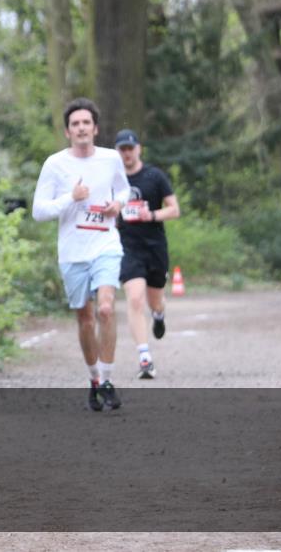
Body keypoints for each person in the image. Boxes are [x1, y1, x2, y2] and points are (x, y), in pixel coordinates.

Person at [33, 98, 130, 411]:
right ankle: (94, 380)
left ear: (95, 128)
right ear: (67, 131)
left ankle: (109, 378)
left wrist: (119, 205)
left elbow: (124, 189)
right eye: (75, 124)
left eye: (86, 122)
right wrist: (69, 198)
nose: (81, 128)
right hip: (72, 251)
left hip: (105, 244)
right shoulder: (55, 164)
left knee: (105, 308)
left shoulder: (111, 159)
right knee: (85, 318)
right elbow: (38, 211)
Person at [114, 129, 180, 379]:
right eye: (122, 149)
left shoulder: (154, 176)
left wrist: (151, 215)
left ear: (138, 149)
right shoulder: (112, 178)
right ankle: (145, 357)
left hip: (154, 247)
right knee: (134, 299)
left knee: (155, 300)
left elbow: (174, 210)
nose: (127, 154)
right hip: (127, 247)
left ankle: (159, 314)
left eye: (131, 149)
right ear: (117, 152)